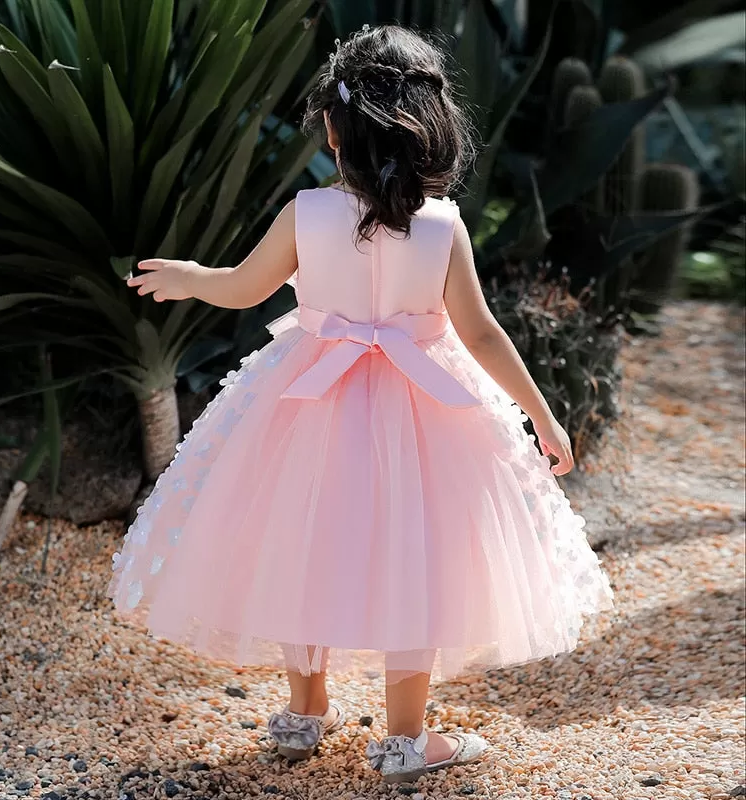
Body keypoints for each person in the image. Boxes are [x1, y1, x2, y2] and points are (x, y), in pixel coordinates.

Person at [108, 25, 614, 785]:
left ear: (335, 131)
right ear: (428, 130)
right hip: (426, 409)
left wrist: (190, 275)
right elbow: (479, 332)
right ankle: (406, 739)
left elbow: (243, 289)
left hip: (308, 403)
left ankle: (303, 713)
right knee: (415, 556)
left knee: (303, 538)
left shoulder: (306, 213)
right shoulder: (442, 226)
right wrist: (541, 414)